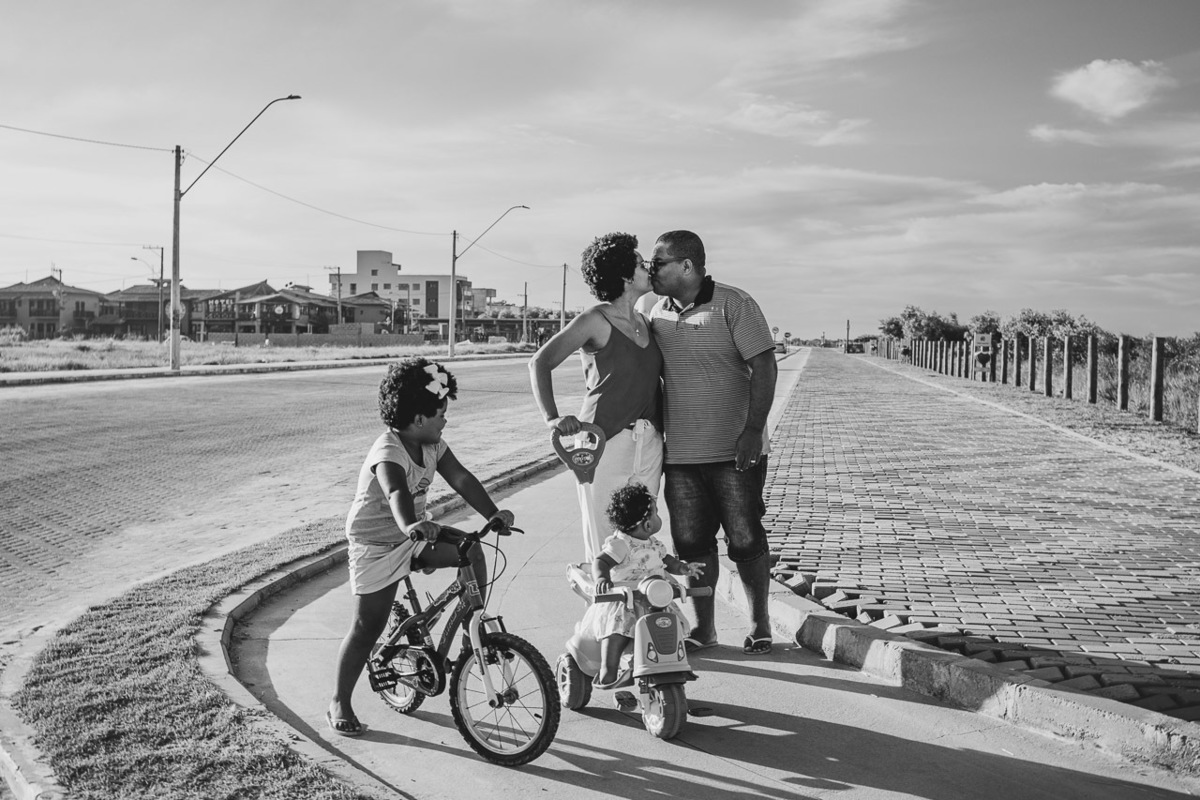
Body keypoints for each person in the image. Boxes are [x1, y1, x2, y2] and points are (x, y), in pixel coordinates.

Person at [327, 357, 515, 737]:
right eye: (441, 414)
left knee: (470, 549)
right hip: (377, 544)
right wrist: (411, 524)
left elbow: (461, 477)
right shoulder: (388, 450)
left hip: (416, 535)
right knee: (367, 627)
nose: (446, 420)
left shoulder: (433, 444)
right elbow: (396, 490)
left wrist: (493, 514)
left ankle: (472, 630)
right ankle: (339, 701)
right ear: (417, 420)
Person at [646, 230, 779, 656]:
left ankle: (760, 623)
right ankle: (705, 629)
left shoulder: (734, 303)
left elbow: (765, 365)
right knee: (691, 543)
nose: (652, 271)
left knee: (744, 539)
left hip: (734, 450)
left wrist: (754, 431)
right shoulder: (653, 311)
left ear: (687, 266)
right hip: (681, 455)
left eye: (658, 263)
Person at [529, 232, 664, 562]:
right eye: (639, 263)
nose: (647, 268)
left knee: (642, 541)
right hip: (603, 442)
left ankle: (639, 612)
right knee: (606, 545)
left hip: (649, 444)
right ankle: (602, 614)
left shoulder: (647, 322)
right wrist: (552, 417)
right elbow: (540, 362)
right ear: (624, 275)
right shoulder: (594, 320)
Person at [578, 483, 703, 687]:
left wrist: (681, 568)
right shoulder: (621, 544)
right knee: (617, 632)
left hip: (653, 600)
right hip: (625, 600)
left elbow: (666, 560)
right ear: (647, 524)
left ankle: (669, 662)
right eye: (656, 513)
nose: (658, 517)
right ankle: (608, 669)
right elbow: (601, 561)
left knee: (668, 627)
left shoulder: (654, 544)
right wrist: (602, 578)